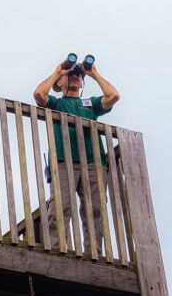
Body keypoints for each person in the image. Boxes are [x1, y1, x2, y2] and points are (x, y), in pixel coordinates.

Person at [33, 58, 120, 255]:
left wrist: (93, 73)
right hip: (64, 162)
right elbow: (39, 94)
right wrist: (58, 71)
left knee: (95, 210)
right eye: (69, 75)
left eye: (78, 75)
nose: (75, 77)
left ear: (82, 82)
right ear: (59, 83)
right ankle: (56, 251)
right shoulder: (56, 103)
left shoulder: (90, 104)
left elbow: (113, 96)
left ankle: (94, 254)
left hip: (94, 162)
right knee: (61, 207)